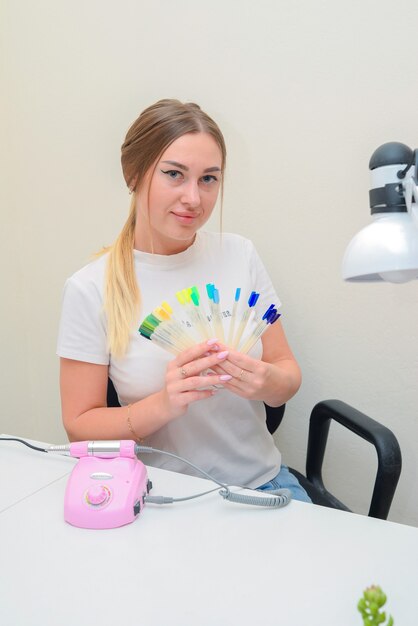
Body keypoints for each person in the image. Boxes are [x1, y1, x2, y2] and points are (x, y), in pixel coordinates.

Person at [57, 98, 311, 502]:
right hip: (160, 496)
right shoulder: (90, 289)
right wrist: (164, 403)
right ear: (133, 174)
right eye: (174, 174)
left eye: (209, 179)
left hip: (265, 485)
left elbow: (287, 378)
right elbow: (79, 425)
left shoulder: (239, 255)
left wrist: (267, 381)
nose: (194, 198)